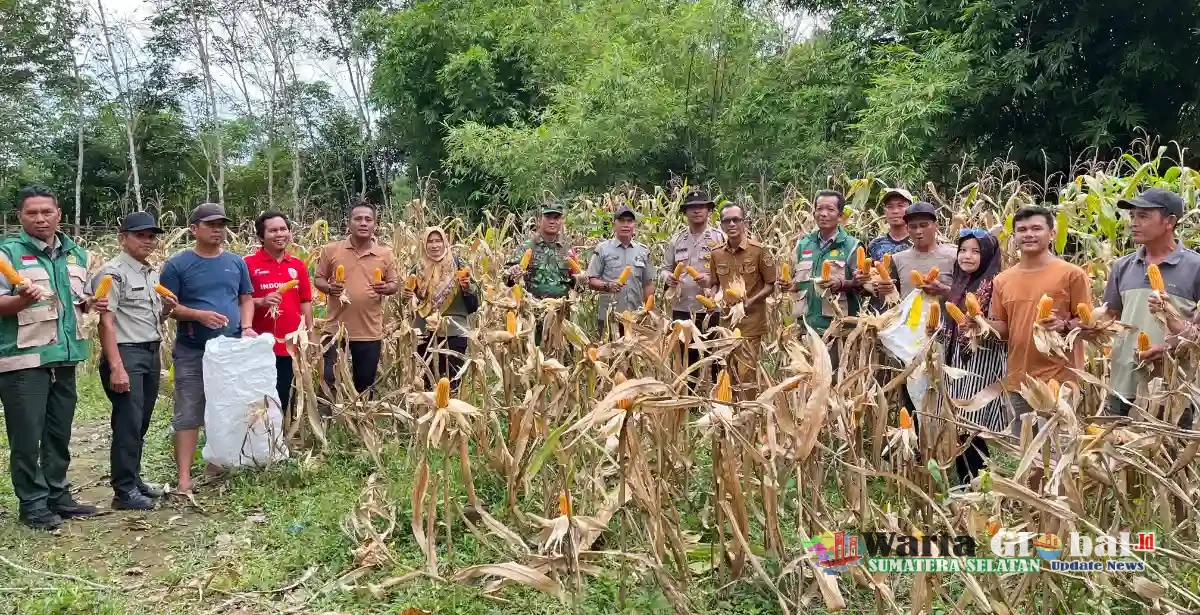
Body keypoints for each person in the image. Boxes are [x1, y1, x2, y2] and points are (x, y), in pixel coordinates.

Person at [0, 186, 101, 529]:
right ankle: (32, 504)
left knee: (59, 434)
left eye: (47, 212)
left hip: (65, 358)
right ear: (20, 216)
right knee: (27, 437)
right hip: (24, 361)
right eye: (32, 213)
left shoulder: (77, 254)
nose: (40, 219)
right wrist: (22, 300)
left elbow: (78, 300)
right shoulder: (7, 254)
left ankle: (59, 495)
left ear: (59, 214)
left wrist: (90, 304)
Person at [161, 203, 256, 495]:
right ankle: (184, 478)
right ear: (194, 229)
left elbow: (245, 299)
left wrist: (247, 327)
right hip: (192, 349)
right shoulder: (177, 265)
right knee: (189, 410)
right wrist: (198, 315)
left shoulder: (236, 263)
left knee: (226, 407)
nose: (218, 230)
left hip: (230, 349)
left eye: (221, 225)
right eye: (211, 225)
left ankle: (217, 463)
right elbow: (168, 307)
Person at [92, 212, 177, 510]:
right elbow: (106, 323)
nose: (148, 241)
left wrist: (166, 310)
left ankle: (134, 480)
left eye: (152, 236)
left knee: (140, 421)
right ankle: (124, 491)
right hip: (126, 353)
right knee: (128, 422)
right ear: (122, 238)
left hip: (149, 351)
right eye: (140, 235)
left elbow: (146, 318)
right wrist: (116, 367)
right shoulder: (112, 274)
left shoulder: (149, 273)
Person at [983, 206, 1090, 428]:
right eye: (1022, 230)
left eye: (1036, 228)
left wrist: (1064, 325)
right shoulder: (1003, 280)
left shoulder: (1071, 274)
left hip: (1060, 382)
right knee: (1023, 444)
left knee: (1059, 444)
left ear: (1052, 234)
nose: (1028, 234)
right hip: (1020, 381)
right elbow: (1004, 329)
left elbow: (1088, 322)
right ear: (1014, 236)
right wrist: (979, 325)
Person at [1102, 189, 1200, 416]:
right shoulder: (1122, 266)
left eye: (1143, 216)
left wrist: (1168, 348)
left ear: (1169, 222)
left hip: (1174, 391)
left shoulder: (1195, 267)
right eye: (1132, 216)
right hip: (1123, 385)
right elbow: (1110, 319)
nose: (1134, 223)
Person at [939, 230, 1007, 482]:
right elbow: (952, 323)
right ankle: (969, 481)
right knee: (958, 422)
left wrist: (980, 324)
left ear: (987, 255)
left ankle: (978, 481)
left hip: (982, 361)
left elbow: (1004, 328)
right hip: (957, 358)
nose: (967, 256)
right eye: (963, 250)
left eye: (975, 251)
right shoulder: (960, 283)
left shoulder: (996, 285)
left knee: (971, 424)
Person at [314, 199, 399, 397]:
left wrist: (385, 288)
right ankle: (327, 415)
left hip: (369, 331)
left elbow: (394, 285)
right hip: (335, 330)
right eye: (358, 219)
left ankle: (362, 415)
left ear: (375, 224)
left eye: (368, 219)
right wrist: (330, 288)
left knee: (364, 385)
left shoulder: (385, 254)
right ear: (348, 223)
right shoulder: (331, 250)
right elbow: (318, 279)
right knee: (328, 381)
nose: (363, 223)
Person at [245, 211, 315, 417]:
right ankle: (263, 433)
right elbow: (239, 301)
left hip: (291, 344)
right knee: (261, 397)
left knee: (287, 394)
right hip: (260, 344)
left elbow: (305, 301)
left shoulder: (297, 265)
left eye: (283, 229)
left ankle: (284, 431)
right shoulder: (247, 264)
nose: (280, 234)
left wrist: (310, 334)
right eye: (273, 230)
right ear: (261, 236)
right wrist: (261, 301)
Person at [707, 203, 777, 398]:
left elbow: (770, 284)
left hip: (751, 322)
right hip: (726, 323)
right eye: (727, 221)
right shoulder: (716, 253)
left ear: (744, 223)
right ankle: (730, 409)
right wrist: (712, 297)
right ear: (721, 225)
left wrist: (750, 302)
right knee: (727, 371)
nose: (732, 224)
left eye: (736, 220)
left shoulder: (759, 251)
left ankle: (748, 410)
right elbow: (714, 284)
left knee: (746, 372)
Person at [405, 227, 478, 392]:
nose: (434, 245)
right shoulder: (417, 269)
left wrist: (467, 288)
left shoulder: (459, 264)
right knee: (425, 382)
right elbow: (408, 299)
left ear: (445, 242)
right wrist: (408, 296)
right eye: (430, 241)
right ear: (424, 244)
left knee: (452, 383)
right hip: (424, 330)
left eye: (438, 241)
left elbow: (474, 303)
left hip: (453, 329)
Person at [783, 190, 864, 338]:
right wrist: (789, 285)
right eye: (819, 209)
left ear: (840, 216)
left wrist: (842, 284)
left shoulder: (852, 246)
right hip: (806, 328)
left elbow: (863, 287)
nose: (823, 214)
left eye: (830, 209)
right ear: (814, 213)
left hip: (838, 330)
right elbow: (798, 283)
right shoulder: (803, 245)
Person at [504, 201, 584, 346]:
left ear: (561, 221)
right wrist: (512, 272)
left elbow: (578, 285)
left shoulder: (567, 249)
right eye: (548, 217)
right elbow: (506, 277)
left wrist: (581, 280)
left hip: (560, 316)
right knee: (534, 354)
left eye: (556, 217)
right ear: (540, 220)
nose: (552, 221)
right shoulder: (528, 246)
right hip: (533, 315)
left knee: (560, 354)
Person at [662, 188, 724, 376]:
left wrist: (711, 280)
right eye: (692, 207)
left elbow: (729, 272)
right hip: (682, 308)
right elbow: (665, 268)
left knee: (715, 359)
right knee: (686, 359)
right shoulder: (677, 240)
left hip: (711, 309)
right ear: (685, 212)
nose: (697, 210)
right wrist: (667, 277)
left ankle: (716, 393)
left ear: (709, 211)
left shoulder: (720, 238)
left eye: (701, 207)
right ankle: (688, 394)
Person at [587, 204, 656, 338]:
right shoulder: (603, 249)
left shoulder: (643, 251)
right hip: (609, 318)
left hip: (635, 318)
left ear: (634, 225)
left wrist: (649, 311)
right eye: (621, 221)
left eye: (629, 221)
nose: (625, 225)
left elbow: (648, 283)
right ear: (614, 225)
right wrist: (607, 285)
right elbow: (591, 280)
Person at [879, 201, 957, 298]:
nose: (918, 231)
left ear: (936, 226)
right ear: (907, 229)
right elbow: (891, 298)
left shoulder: (954, 256)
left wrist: (944, 290)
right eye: (913, 227)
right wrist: (883, 290)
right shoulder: (896, 260)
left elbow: (967, 294)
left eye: (924, 225)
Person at [866, 188, 915, 263]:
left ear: (911, 209)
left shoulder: (919, 241)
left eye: (900, 205)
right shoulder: (875, 244)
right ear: (884, 211)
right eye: (890, 206)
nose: (895, 211)